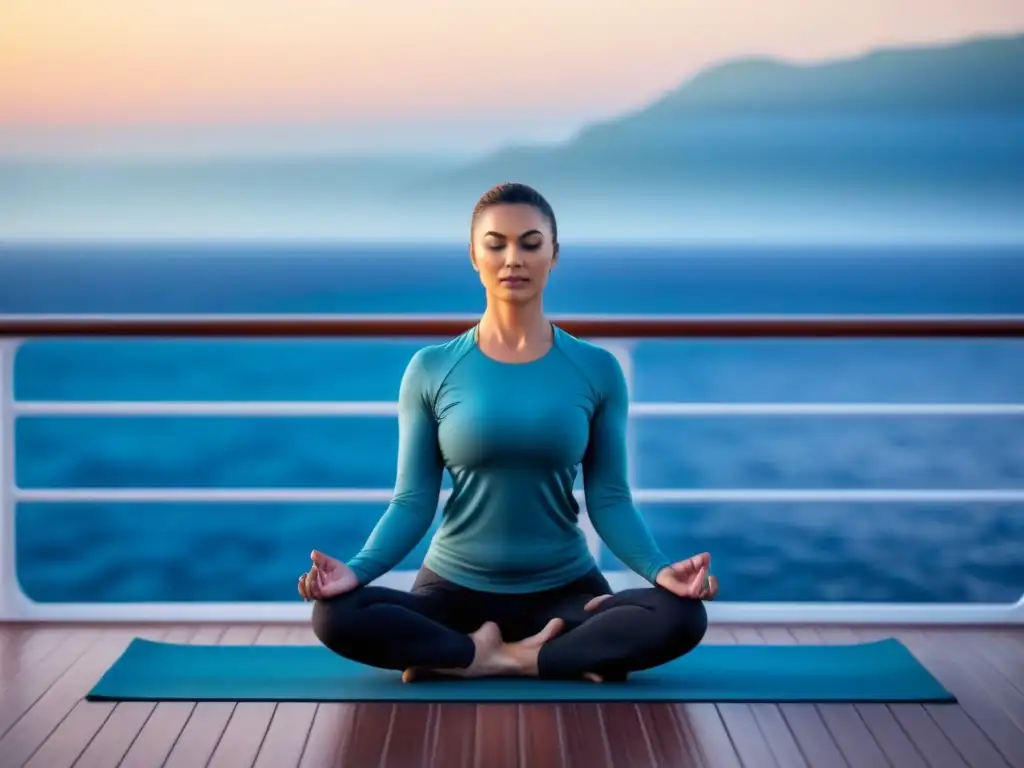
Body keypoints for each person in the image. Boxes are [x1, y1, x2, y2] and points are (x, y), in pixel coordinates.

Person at [298, 182, 718, 683]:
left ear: (554, 255)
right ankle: (552, 658)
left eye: (530, 243)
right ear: (474, 255)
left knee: (681, 616)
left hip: (564, 592)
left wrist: (659, 571)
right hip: (452, 592)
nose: (512, 258)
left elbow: (609, 497)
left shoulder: (597, 369)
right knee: (335, 615)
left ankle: (484, 658)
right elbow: (412, 501)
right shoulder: (431, 368)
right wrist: (357, 572)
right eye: (495, 244)